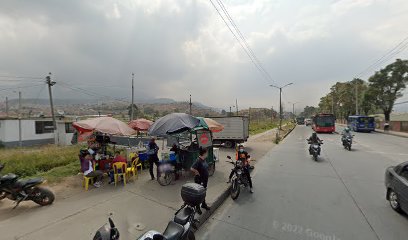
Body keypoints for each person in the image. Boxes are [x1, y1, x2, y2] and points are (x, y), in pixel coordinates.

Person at [191, 147, 211, 214]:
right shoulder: (198, 160)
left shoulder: (204, 160)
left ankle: (203, 204)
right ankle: (197, 207)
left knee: (203, 193)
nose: (207, 154)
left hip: (204, 180)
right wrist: (197, 172)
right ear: (204, 153)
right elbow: (192, 168)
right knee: (199, 194)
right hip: (200, 181)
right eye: (207, 152)